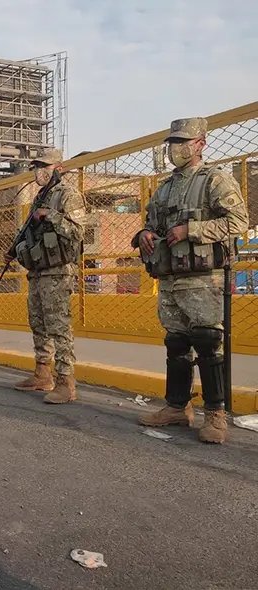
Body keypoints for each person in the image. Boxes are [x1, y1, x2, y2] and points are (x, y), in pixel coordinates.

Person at [133, 118, 247, 443]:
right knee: (176, 343)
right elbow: (150, 222)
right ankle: (177, 408)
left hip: (204, 279)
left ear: (200, 144)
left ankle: (215, 415)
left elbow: (238, 220)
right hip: (170, 280)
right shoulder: (165, 187)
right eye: (172, 142)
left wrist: (192, 230)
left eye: (182, 141)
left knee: (208, 343)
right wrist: (143, 234)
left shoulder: (215, 180)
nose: (175, 148)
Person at [5, 148, 87, 404]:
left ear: (58, 169)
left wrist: (50, 215)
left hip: (58, 269)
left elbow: (77, 231)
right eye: (36, 166)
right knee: (38, 323)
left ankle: (66, 382)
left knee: (59, 327)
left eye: (44, 166)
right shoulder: (40, 197)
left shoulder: (68, 195)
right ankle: (42, 374)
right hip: (38, 271)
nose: (38, 171)